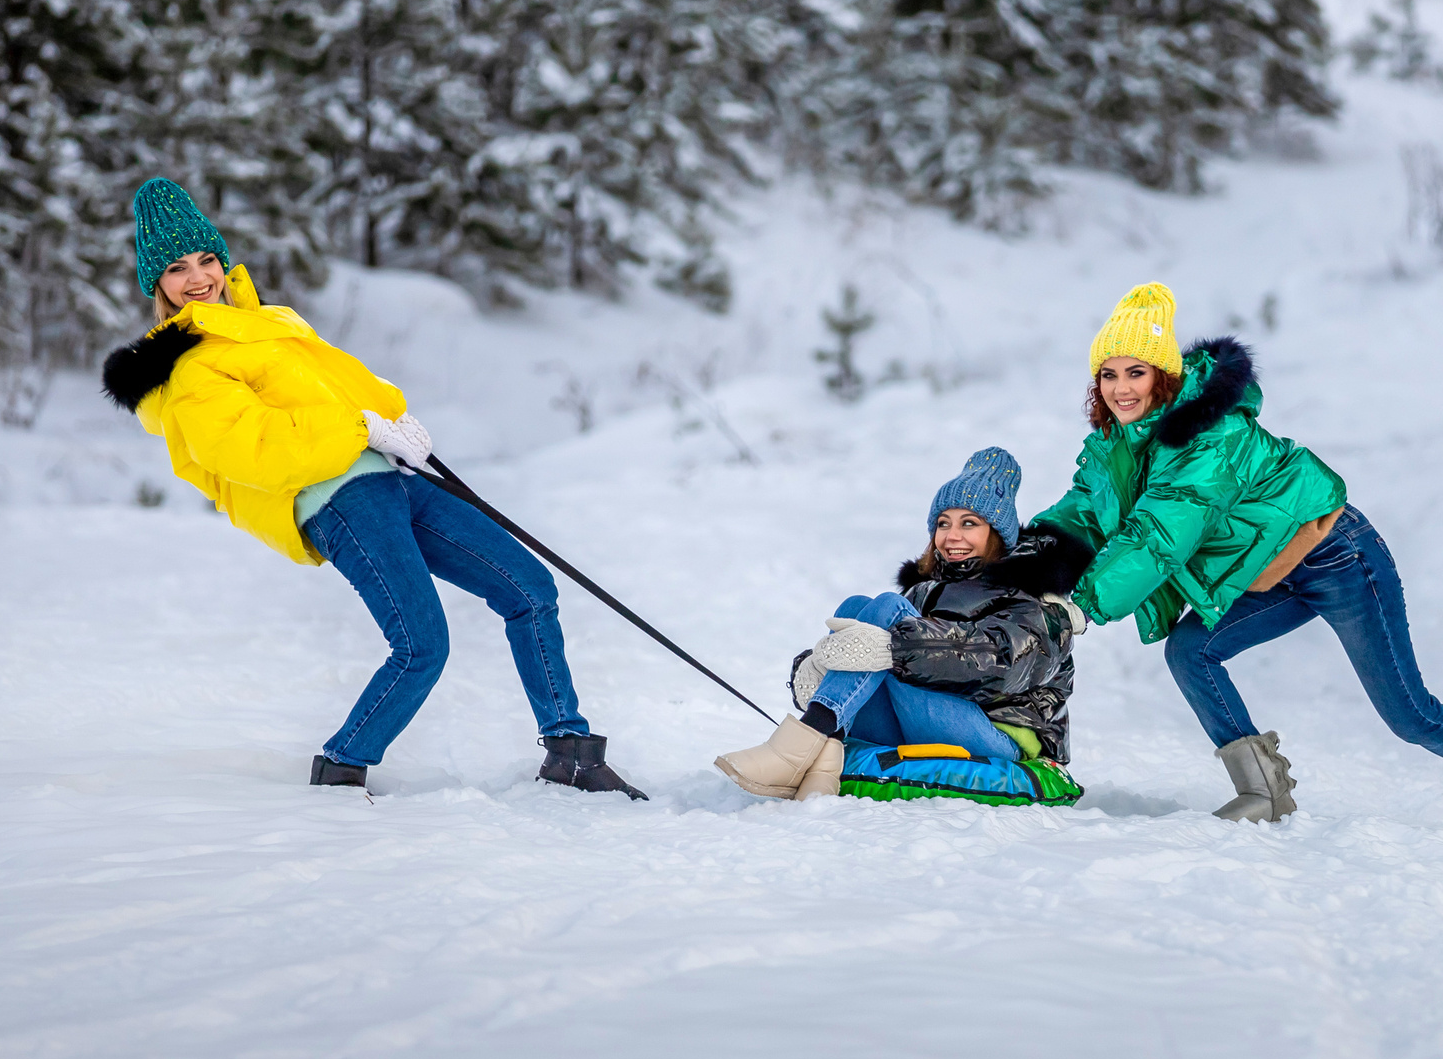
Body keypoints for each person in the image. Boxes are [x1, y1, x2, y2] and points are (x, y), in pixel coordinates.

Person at [99, 178, 644, 798]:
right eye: (176, 269)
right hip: (339, 500)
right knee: (421, 644)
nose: (198, 277)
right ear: (156, 285)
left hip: (393, 478)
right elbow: (254, 448)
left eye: (206, 259)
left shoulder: (270, 326)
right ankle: (341, 767)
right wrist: (362, 426)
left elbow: (354, 387)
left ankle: (570, 749)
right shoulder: (192, 367)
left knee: (530, 588)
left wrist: (392, 420)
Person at [1009, 282, 1443, 829]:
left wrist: (1082, 606)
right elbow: (1084, 509)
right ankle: (1264, 792)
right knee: (1191, 650)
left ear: (1165, 377)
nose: (1120, 387)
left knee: (1409, 713)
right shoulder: (1118, 446)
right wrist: (1029, 557)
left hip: (1337, 557)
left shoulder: (1208, 437)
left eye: (1136, 371)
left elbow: (1160, 534)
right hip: (1265, 575)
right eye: (1108, 374)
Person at [713, 447, 1080, 807]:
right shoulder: (923, 590)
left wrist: (900, 648)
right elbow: (873, 658)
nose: (952, 536)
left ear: (997, 532)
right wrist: (813, 665)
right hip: (917, 722)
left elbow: (1002, 662)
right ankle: (823, 763)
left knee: (889, 610)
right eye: (943, 523)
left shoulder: (1033, 596)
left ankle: (797, 745)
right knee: (857, 608)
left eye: (970, 523)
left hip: (994, 735)